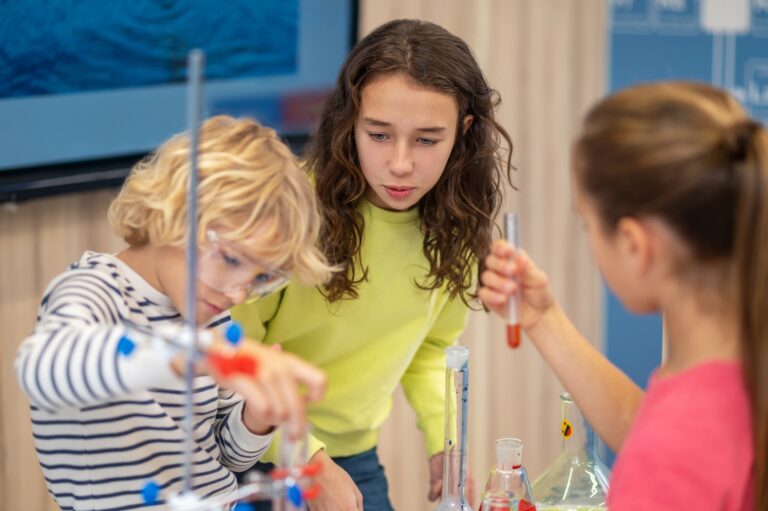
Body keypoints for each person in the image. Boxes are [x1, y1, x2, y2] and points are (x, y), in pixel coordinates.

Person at [230, 18, 514, 511]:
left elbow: (431, 347)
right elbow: (232, 353)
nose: (400, 164)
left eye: (427, 140)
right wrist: (310, 461)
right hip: (252, 450)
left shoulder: (455, 226)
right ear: (350, 122)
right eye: (379, 135)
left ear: (463, 131)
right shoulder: (286, 211)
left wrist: (444, 441)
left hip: (353, 453)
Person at [15, 116, 335, 510]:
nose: (239, 292)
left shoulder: (206, 314)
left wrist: (257, 418)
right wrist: (199, 356)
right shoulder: (94, 289)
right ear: (178, 212)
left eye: (261, 277)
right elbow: (41, 366)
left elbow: (226, 458)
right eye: (232, 259)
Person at [478, 81, 766, 510]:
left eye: (587, 226)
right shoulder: (732, 380)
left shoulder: (670, 458)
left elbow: (663, 450)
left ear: (633, 244)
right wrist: (544, 318)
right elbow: (646, 423)